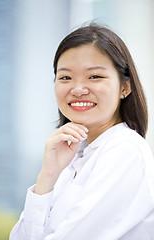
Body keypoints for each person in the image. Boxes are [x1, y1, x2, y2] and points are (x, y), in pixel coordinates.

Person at [10, 23, 154, 240]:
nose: (77, 90)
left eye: (94, 76)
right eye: (65, 77)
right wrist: (48, 175)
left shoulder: (125, 151)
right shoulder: (74, 155)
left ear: (125, 87)